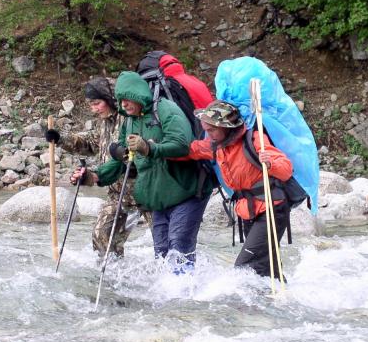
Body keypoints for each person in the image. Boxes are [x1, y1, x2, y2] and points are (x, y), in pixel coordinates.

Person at [74, 71, 211, 272]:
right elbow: (121, 160)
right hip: (156, 197)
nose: (124, 105)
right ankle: (168, 295)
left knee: (178, 247)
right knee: (162, 254)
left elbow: (182, 144)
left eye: (127, 99)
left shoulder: (165, 110)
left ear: (138, 93)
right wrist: (94, 176)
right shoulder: (129, 121)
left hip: (186, 192)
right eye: (120, 101)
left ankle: (186, 294)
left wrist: (148, 148)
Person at [185, 100, 293, 279]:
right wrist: (155, 149)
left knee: (244, 268)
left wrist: (270, 163)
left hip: (271, 209)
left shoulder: (255, 140)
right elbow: (191, 150)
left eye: (211, 130)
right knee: (266, 268)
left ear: (226, 128)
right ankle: (277, 301)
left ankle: (248, 305)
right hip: (248, 211)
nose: (208, 134)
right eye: (206, 129)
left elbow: (286, 169)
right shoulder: (217, 145)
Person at [44, 76, 147, 258]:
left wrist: (95, 176)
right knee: (102, 237)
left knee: (167, 243)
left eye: (97, 103)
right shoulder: (106, 122)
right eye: (91, 104)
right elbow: (92, 144)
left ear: (111, 100)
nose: (93, 109)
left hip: (146, 191)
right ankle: (113, 279)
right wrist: (60, 139)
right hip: (118, 193)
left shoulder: (130, 119)